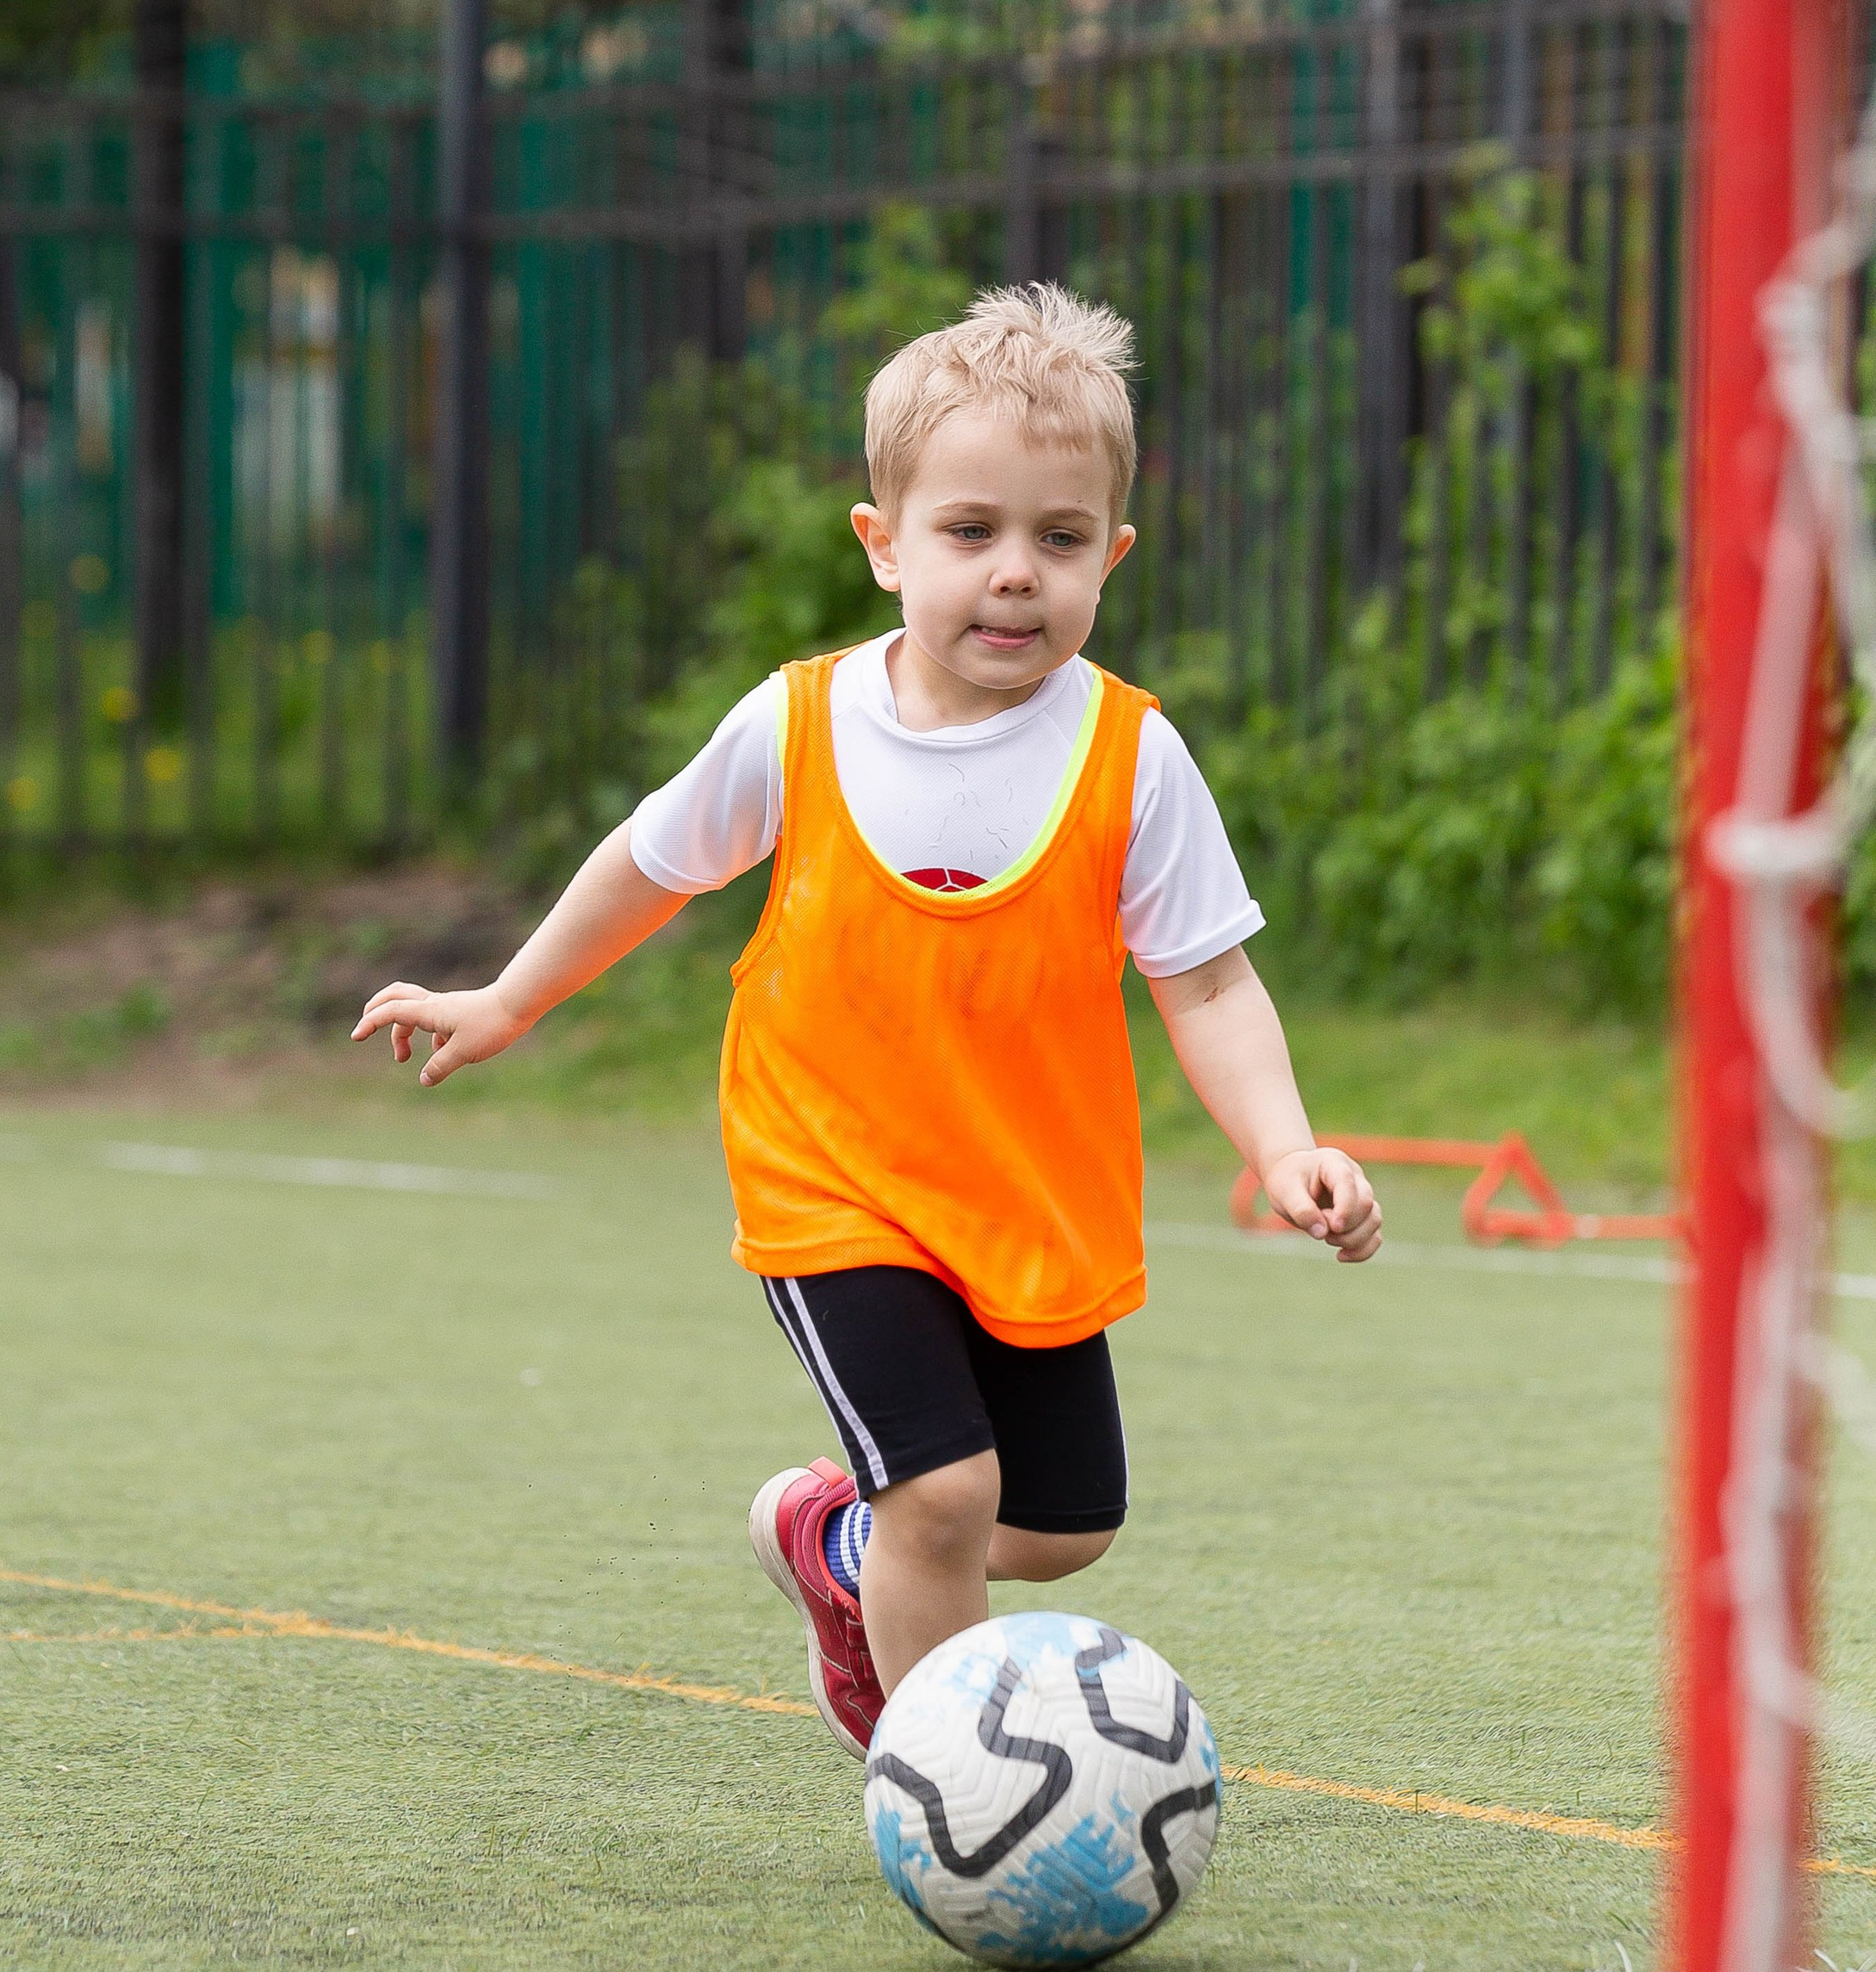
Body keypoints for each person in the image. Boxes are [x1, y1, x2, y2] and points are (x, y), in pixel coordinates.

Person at [352, 284, 1381, 1758]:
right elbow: (653, 859)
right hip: (833, 1177)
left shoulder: (1134, 756)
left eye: (1061, 538)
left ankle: (837, 1552)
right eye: (971, 533)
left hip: (1025, 1196)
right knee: (949, 1497)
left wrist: (1286, 1152)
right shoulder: (801, 722)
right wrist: (512, 995)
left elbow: (1209, 981)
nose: (1015, 574)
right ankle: (949, 1785)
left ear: (1116, 556)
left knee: (1058, 1527)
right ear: (883, 542)